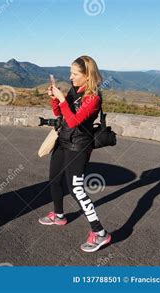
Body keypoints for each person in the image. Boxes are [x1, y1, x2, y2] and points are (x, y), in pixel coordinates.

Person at [38, 55, 111, 253]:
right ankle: (59, 215)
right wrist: (56, 100)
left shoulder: (93, 98)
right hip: (63, 141)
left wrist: (62, 99)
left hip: (79, 147)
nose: (71, 77)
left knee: (76, 190)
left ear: (88, 76)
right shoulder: (74, 91)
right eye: (71, 73)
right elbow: (60, 115)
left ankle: (100, 233)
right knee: (54, 180)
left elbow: (73, 121)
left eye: (75, 74)